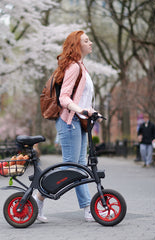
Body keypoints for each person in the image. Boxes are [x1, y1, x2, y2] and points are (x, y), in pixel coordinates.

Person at [33, 30, 101, 222]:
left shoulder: (82, 66)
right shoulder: (74, 67)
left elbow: (81, 98)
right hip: (68, 121)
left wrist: (91, 111)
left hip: (78, 121)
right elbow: (64, 98)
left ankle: (88, 209)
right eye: (86, 41)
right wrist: (81, 109)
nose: (91, 43)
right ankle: (38, 198)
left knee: (78, 168)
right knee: (70, 167)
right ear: (77, 45)